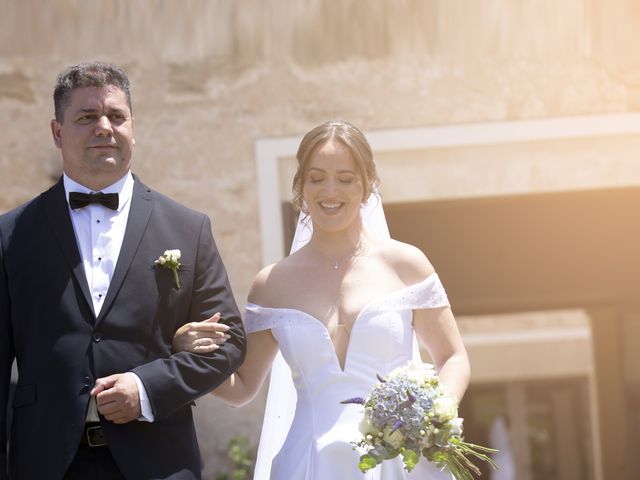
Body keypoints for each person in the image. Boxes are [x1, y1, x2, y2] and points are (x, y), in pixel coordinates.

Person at [174, 120, 470, 479]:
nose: (330, 190)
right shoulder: (271, 284)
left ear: (366, 184)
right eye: (316, 178)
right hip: (309, 464)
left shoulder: (407, 264)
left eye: (345, 178)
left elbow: (452, 357)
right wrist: (184, 355)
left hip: (401, 464)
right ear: (301, 186)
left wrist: (434, 414)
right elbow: (242, 388)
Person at [0, 61, 246, 480]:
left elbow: (229, 344)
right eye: (86, 117)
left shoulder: (188, 228)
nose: (103, 127)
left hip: (160, 461)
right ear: (57, 132)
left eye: (116, 116)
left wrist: (147, 387)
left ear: (133, 126)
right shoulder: (10, 235)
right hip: (46, 463)